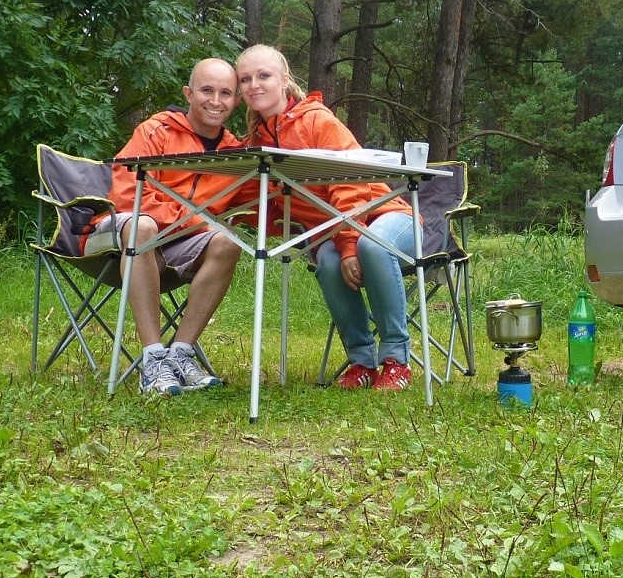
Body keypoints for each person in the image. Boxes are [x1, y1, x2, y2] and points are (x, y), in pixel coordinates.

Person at [236, 43, 418, 391]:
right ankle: (362, 361)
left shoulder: (317, 120)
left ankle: (396, 360)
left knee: (372, 247)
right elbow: (270, 204)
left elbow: (349, 184)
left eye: (263, 75)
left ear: (284, 79)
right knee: (329, 263)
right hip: (334, 231)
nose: (254, 85)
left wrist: (349, 244)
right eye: (246, 79)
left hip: (388, 215)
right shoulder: (256, 141)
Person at [86, 58, 245, 395]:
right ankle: (153, 358)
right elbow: (128, 193)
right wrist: (189, 220)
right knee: (142, 226)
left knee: (229, 243)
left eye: (225, 93)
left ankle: (182, 353)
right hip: (121, 237)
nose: (215, 101)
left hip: (176, 247)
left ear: (236, 101)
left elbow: (252, 208)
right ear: (189, 93)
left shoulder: (235, 153)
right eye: (206, 90)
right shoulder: (157, 130)